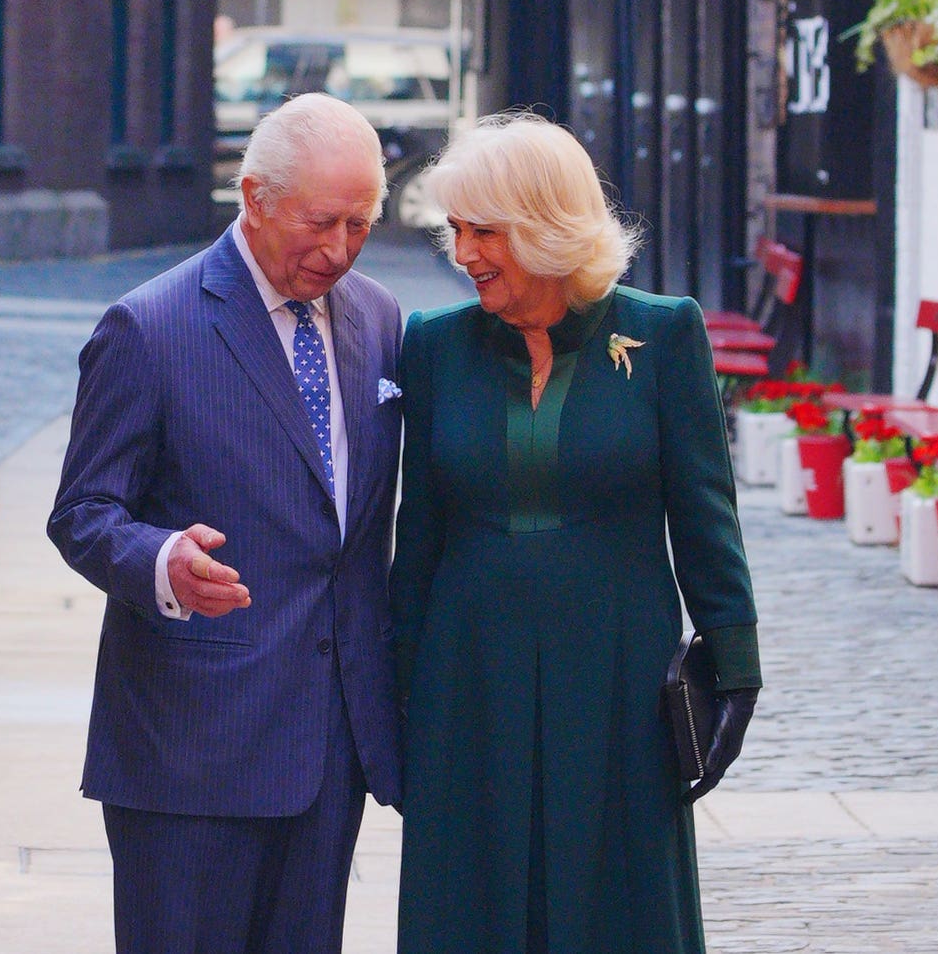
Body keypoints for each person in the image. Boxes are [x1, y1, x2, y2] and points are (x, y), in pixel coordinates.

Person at [390, 113, 761, 954]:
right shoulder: (432, 348)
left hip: (619, 676)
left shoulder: (664, 335)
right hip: (466, 674)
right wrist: (399, 695)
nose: (465, 253)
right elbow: (417, 541)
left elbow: (706, 514)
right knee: (469, 902)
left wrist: (735, 667)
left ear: (549, 228)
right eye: (455, 230)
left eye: (486, 231)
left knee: (616, 905)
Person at [48, 93, 405, 953]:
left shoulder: (382, 321)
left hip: (329, 748)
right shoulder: (150, 328)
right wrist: (161, 560)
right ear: (253, 197)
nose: (338, 250)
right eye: (320, 223)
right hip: (189, 750)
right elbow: (83, 513)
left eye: (360, 225)